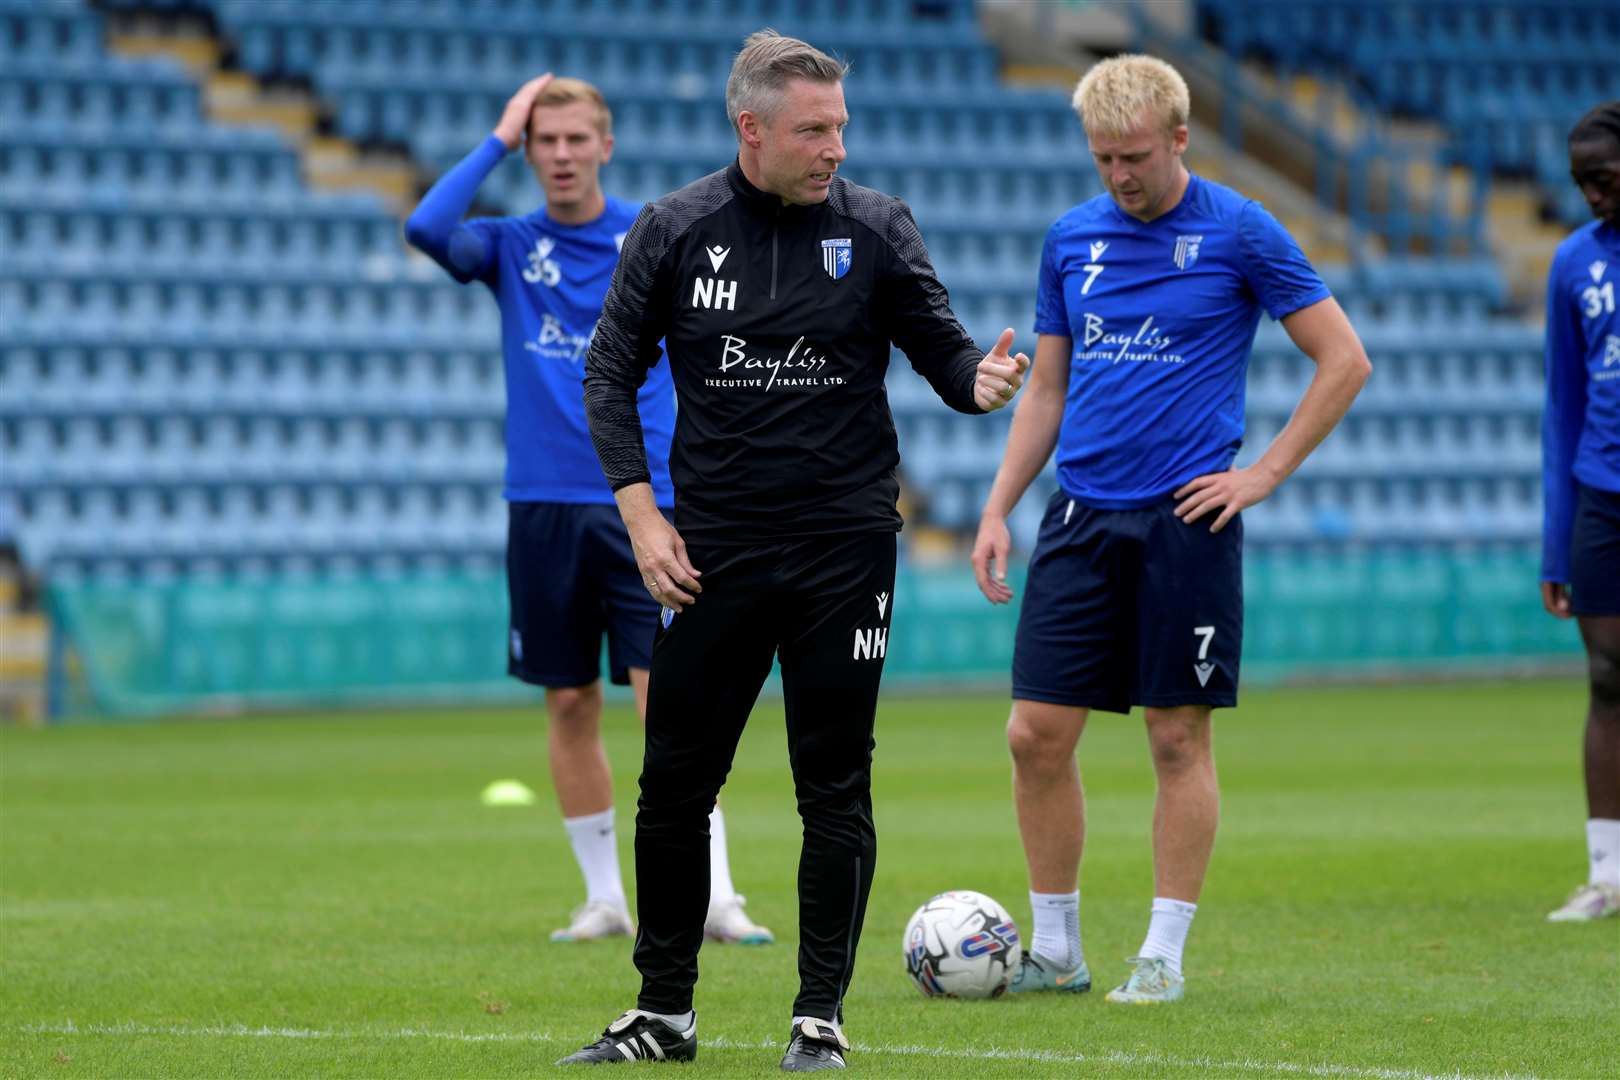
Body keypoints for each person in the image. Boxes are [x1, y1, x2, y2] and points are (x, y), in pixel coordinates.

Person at [556, 30, 1029, 1071]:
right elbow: (608, 376)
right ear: (751, 128)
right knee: (675, 786)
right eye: (814, 130)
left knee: (834, 785)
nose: (834, 149)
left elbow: (946, 356)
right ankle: (664, 1016)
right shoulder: (675, 228)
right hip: (709, 556)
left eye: (842, 129)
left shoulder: (876, 227)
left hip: (843, 555)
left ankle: (820, 1019)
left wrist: (980, 383)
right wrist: (642, 516)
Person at [970, 54, 1370, 1004]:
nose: (1120, 175)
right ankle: (1058, 951)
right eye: (1104, 158)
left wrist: (1265, 472)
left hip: (1186, 522)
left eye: (1136, 156)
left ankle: (1163, 955)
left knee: (1176, 739)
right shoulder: (1070, 240)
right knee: (1034, 735)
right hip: (1079, 517)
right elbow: (1052, 388)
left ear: (1180, 138)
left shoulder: (1240, 229)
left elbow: (1343, 360)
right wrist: (996, 507)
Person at [403, 74, 773, 948]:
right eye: (545, 142)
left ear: (606, 145)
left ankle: (716, 894)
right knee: (569, 704)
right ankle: (605, 897)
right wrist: (497, 133)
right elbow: (425, 229)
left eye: (577, 140)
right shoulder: (507, 242)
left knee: (670, 705)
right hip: (542, 507)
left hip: (647, 503)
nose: (562, 156)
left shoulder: (653, 235)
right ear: (529, 154)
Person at [1540, 99, 1620, 923]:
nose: (1593, 197)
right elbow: (1561, 407)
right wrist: (1553, 542)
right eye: (1582, 184)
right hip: (1601, 495)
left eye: (1604, 180)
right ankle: (1608, 873)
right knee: (1605, 676)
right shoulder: (1575, 264)